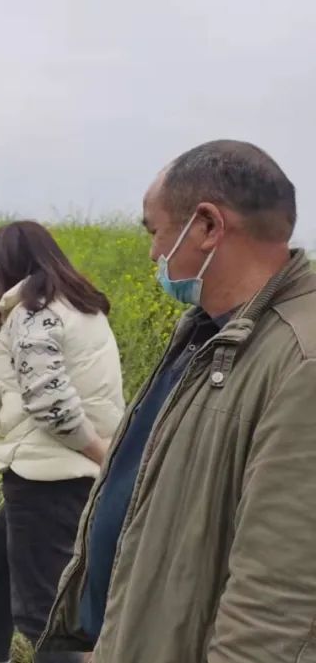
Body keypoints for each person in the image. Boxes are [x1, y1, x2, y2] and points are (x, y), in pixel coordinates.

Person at [43, 141, 316, 663]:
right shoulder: (208, 332)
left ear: (208, 226)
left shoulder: (301, 359)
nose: (152, 253)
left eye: (155, 231)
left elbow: (280, 602)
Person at [0, 222, 124, 663]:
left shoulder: (34, 314)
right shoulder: (77, 304)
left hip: (49, 473)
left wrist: (101, 454)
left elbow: (51, 402)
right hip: (56, 468)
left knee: (43, 615)